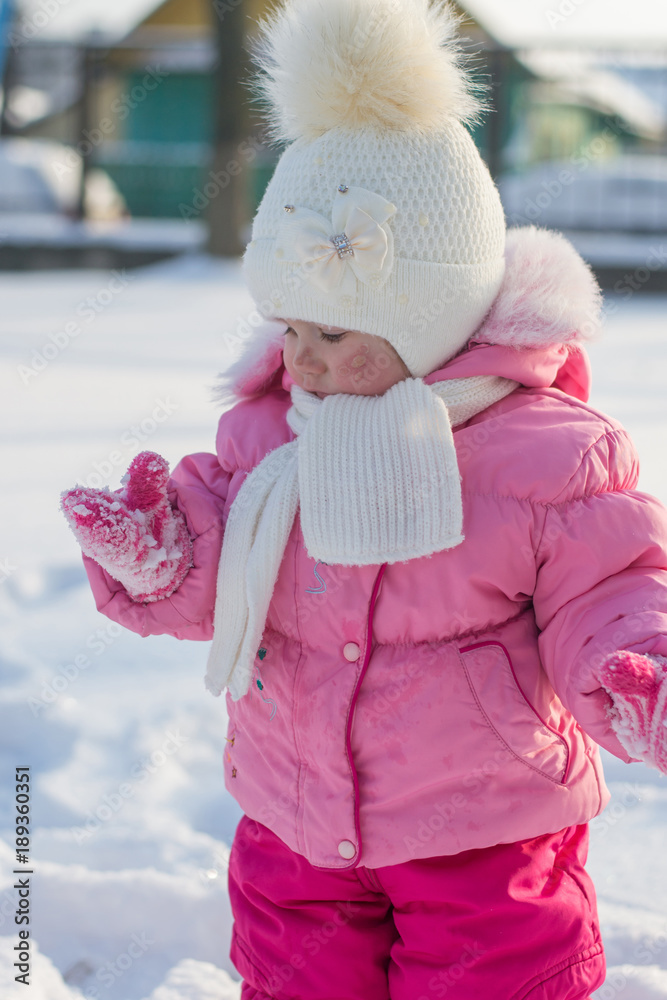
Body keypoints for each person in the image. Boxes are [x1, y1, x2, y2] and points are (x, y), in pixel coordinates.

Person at [61, 1, 667, 997]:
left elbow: (614, 587)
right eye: (288, 325)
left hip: (483, 832)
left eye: (335, 334)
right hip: (294, 825)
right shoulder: (268, 433)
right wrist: (162, 552)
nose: (300, 356)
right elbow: (217, 561)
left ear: (430, 318)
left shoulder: (544, 456)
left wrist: (632, 669)